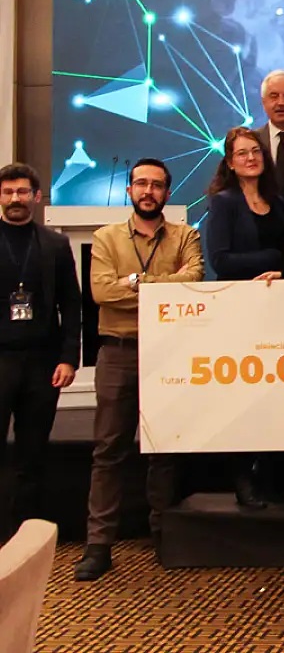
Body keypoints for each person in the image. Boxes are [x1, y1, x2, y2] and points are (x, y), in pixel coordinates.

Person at [75, 159, 205, 582]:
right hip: (118, 351)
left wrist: (133, 283)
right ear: (129, 190)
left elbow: (194, 280)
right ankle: (99, 545)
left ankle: (164, 535)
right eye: (141, 184)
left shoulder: (186, 235)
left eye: (157, 185)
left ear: (167, 192)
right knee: (108, 450)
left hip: (169, 352)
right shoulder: (105, 237)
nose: (149, 191)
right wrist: (161, 286)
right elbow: (101, 292)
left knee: (164, 449)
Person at [204, 127, 284, 510]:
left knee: (273, 396)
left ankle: (269, 476)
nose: (251, 158)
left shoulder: (278, 201)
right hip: (238, 312)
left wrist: (282, 268)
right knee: (241, 399)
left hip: (277, 309)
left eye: (256, 151)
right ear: (230, 161)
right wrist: (272, 259)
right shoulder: (223, 203)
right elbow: (220, 260)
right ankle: (242, 478)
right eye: (242, 153)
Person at [0, 164, 80, 542]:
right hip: (0, 360)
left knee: (32, 455)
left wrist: (69, 357)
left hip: (43, 363)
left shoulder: (55, 244)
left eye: (22, 192)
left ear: (35, 197)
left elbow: (72, 305)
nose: (15, 198)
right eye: (8, 192)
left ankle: (24, 538)